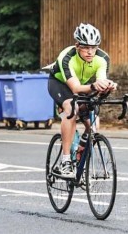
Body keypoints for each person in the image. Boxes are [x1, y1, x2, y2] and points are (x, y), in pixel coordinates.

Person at [47, 23, 117, 177]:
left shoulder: (103, 58)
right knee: (71, 109)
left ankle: (79, 158)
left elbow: (100, 81)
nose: (90, 51)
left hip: (83, 85)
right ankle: (65, 161)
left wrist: (107, 86)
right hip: (60, 84)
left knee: (94, 125)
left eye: (94, 47)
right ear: (77, 45)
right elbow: (75, 89)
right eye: (86, 47)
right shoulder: (67, 57)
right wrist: (94, 85)